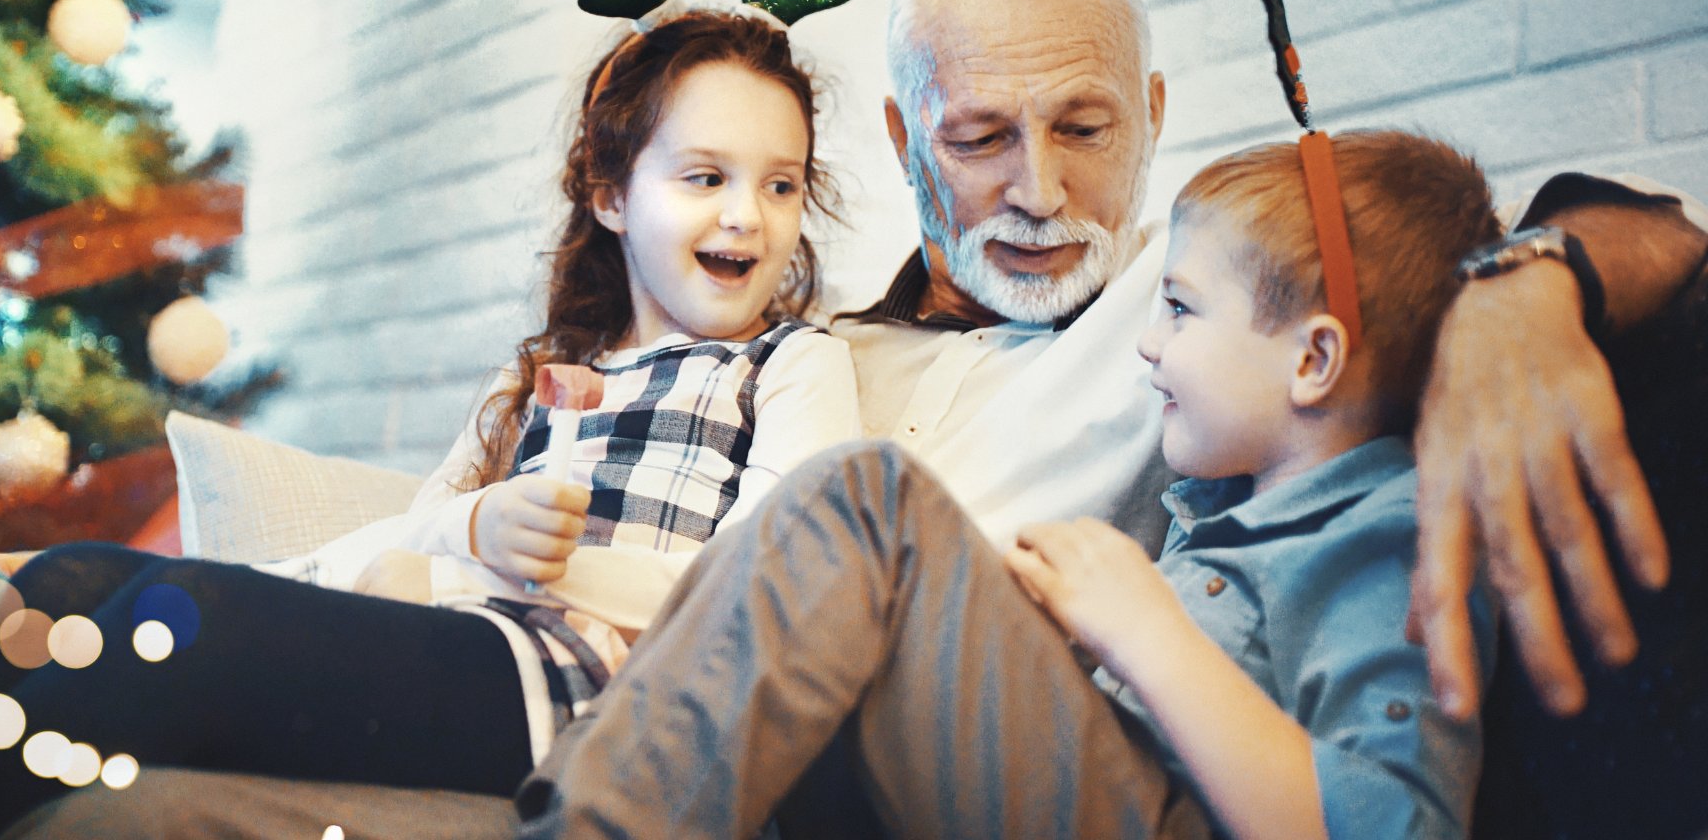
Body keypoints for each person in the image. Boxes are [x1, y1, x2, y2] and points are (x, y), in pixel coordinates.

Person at [0, 0, 1708, 839]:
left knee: (859, 514)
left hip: (830, 748)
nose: (1039, 187)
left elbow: (1564, 237)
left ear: (1158, 124)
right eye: (980, 138)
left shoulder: (1202, 312)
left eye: (1085, 128)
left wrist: (1523, 286)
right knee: (122, 811)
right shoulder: (815, 347)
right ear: (907, 140)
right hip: (649, 701)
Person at [0, 9, 861, 840]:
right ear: (609, 195)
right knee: (77, 580)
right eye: (704, 177)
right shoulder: (546, 379)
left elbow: (763, 596)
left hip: (605, 701)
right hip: (474, 650)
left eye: (780, 185)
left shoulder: (790, 363)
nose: (748, 217)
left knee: (174, 637)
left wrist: (544, 566)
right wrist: (470, 533)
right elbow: (414, 541)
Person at [518, 128, 1505, 837]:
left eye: (1180, 308)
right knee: (867, 556)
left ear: (1313, 360)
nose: (1150, 344)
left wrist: (1148, 636)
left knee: (871, 498)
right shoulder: (1225, 507)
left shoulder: (1401, 537)